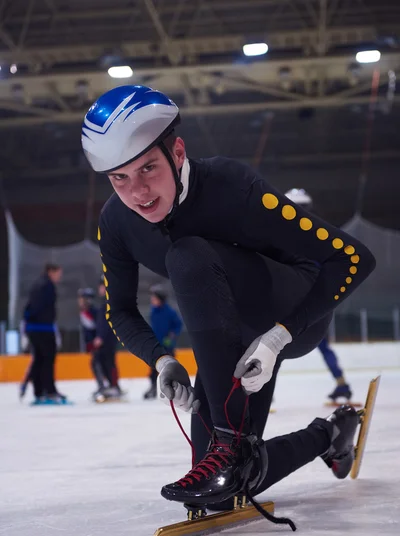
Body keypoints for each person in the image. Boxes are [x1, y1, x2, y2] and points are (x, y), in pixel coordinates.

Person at [81, 85, 375, 513]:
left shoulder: (231, 186)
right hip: (231, 331)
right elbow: (120, 310)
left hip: (293, 310)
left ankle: (229, 441)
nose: (138, 192)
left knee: (185, 255)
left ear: (177, 152)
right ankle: (330, 434)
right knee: (229, 485)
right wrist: (163, 362)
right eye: (119, 178)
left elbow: (353, 258)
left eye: (147, 168)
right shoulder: (116, 221)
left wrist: (278, 337)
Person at [285, 188, 353, 402]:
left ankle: (255, 393)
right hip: (317, 300)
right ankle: (342, 383)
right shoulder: (320, 233)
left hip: (294, 297)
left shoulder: (285, 236)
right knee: (322, 345)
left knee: (271, 344)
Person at [23, 263, 65, 404]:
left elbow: (29, 308)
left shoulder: (37, 284)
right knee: (47, 359)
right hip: (43, 328)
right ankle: (49, 391)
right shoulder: (46, 286)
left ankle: (39, 391)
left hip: (35, 328)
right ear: (51, 271)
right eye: (58, 273)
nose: (60, 276)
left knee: (39, 359)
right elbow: (38, 308)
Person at [143, 284, 183, 400]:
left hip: (167, 346)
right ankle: (153, 388)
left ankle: (173, 389)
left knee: (170, 369)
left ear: (160, 299)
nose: (152, 300)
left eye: (154, 298)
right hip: (156, 344)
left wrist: (171, 336)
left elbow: (178, 325)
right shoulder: (153, 311)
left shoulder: (169, 312)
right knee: (153, 369)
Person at [91, 275, 122, 402]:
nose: (100, 288)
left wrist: (100, 337)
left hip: (108, 339)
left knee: (109, 362)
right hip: (105, 339)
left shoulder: (108, 303)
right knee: (103, 362)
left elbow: (106, 323)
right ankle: (110, 384)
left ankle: (114, 385)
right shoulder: (103, 303)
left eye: (101, 286)